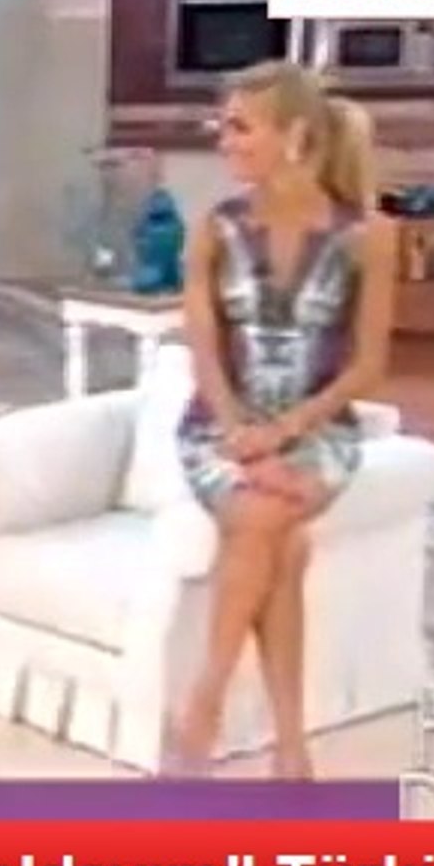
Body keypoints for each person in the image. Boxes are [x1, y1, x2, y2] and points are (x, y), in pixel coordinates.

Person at [169, 61, 399, 780]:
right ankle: (289, 745)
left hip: (318, 435)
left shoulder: (369, 235)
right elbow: (204, 352)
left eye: (240, 127)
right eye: (223, 126)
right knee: (279, 540)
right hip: (217, 429)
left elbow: (367, 368)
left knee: (262, 522)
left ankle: (202, 706)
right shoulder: (214, 229)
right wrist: (243, 436)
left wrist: (283, 434)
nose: (224, 141)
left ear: (295, 135)